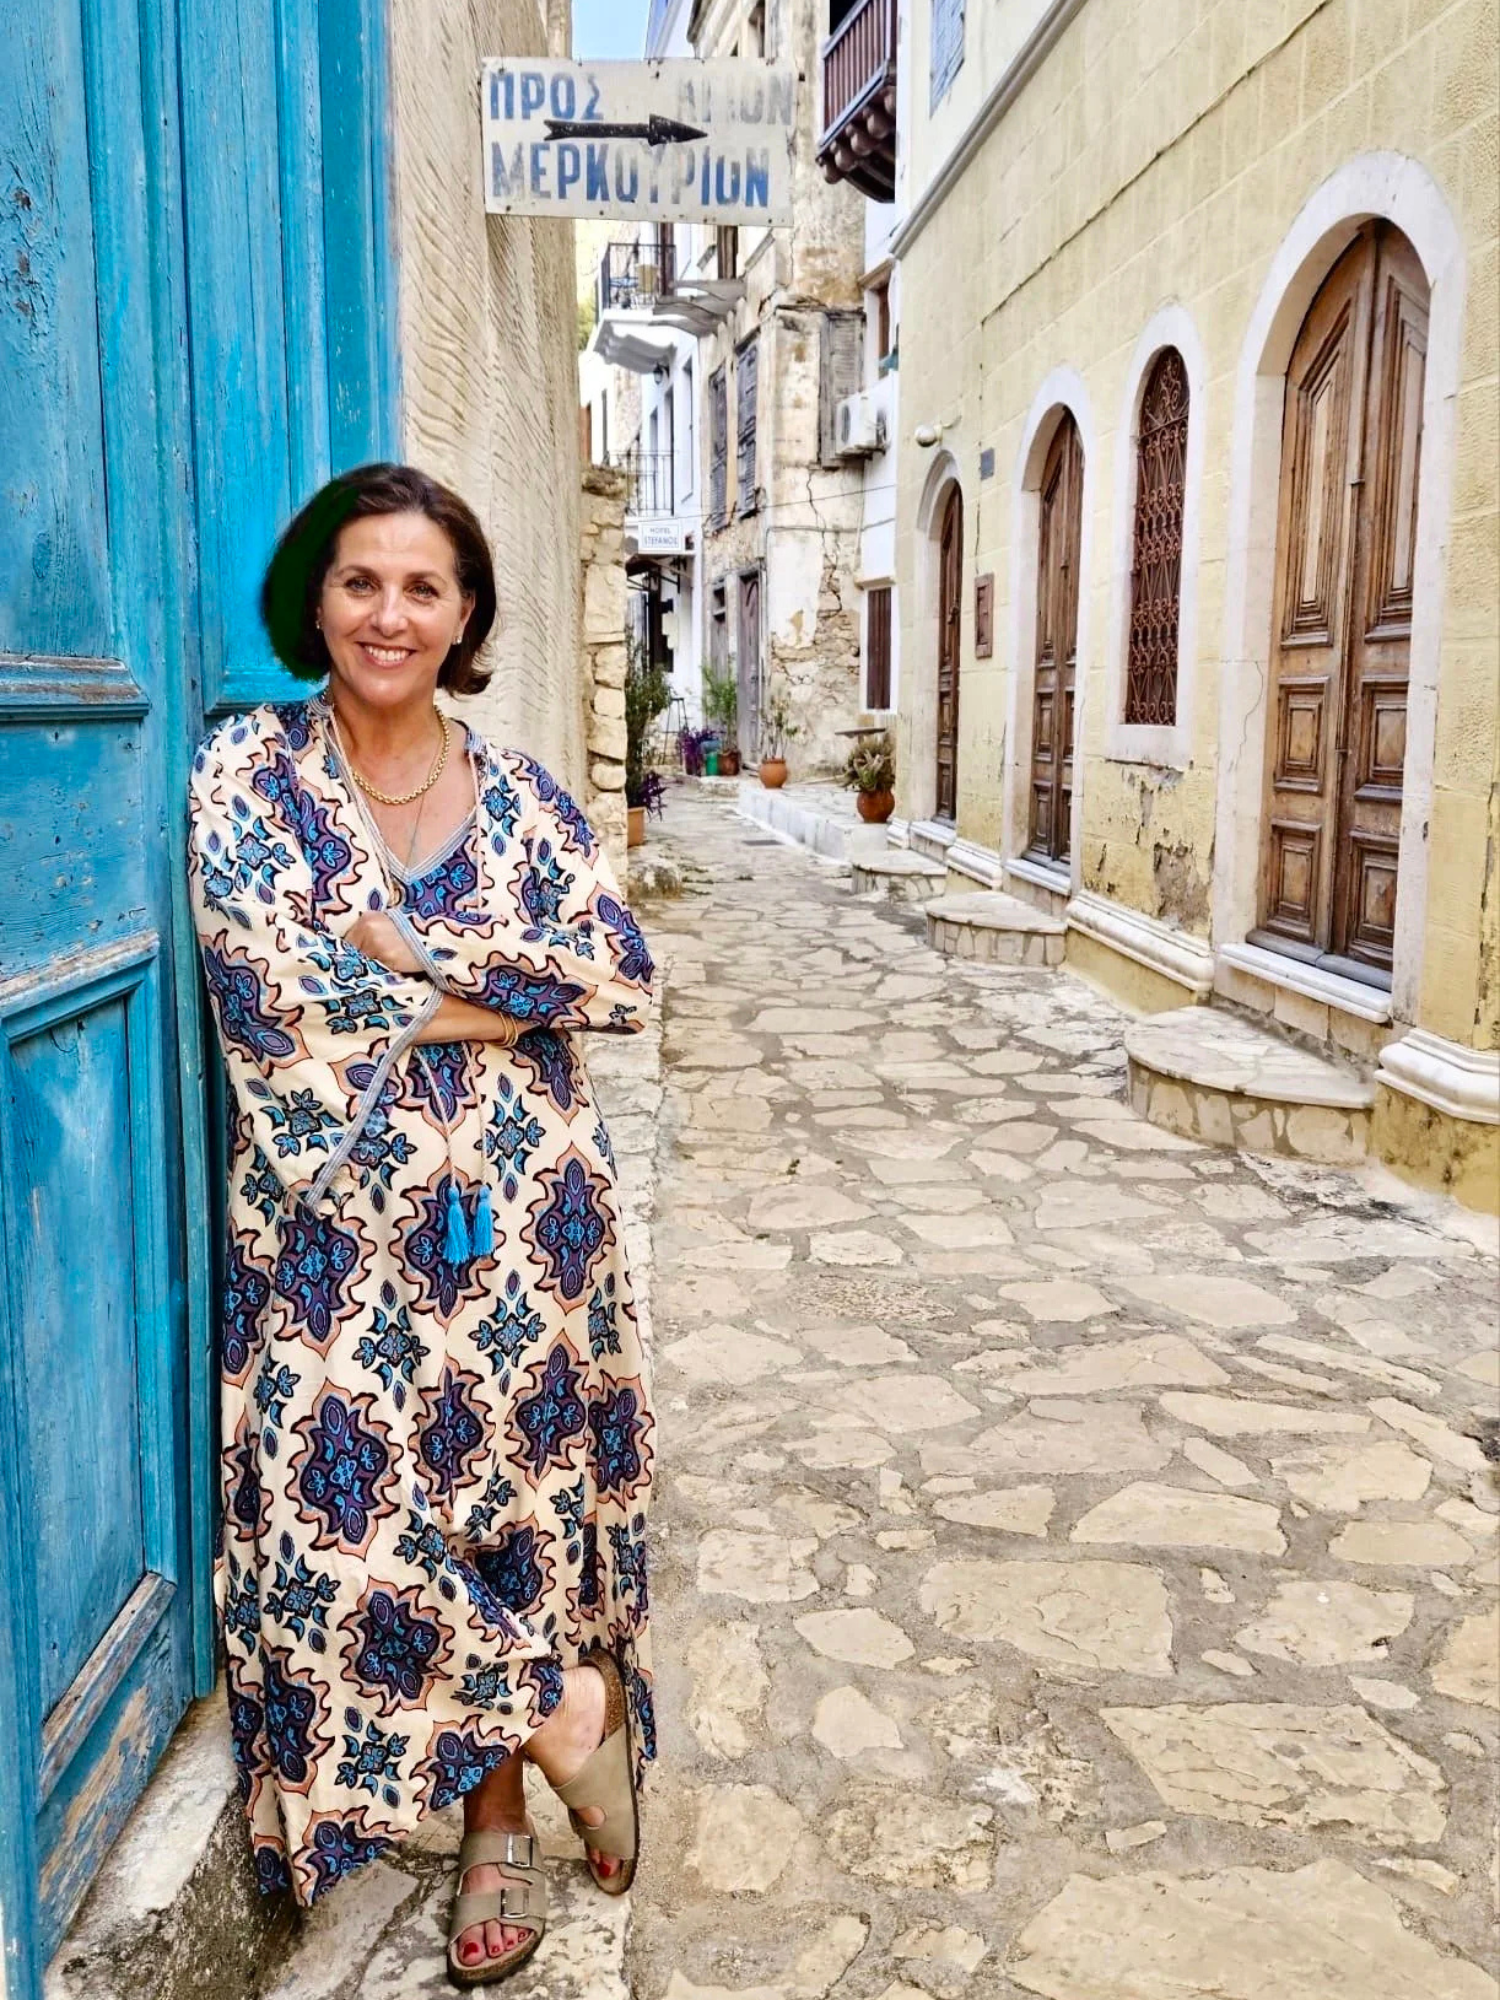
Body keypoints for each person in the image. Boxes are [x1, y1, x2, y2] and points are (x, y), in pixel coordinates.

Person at [188, 464, 655, 1986]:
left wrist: (409, 950)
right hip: (335, 1233)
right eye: (360, 583)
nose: (390, 615)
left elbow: (621, 977)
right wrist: (485, 991)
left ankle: (496, 1823)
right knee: (352, 1525)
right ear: (312, 599)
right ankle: (564, 1715)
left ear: (466, 618)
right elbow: (277, 999)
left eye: (424, 589)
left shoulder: (522, 794)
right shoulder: (247, 778)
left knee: (513, 1505)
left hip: (529, 1230)